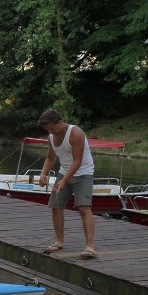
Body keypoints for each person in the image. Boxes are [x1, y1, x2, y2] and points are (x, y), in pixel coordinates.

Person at [36, 108, 97, 259]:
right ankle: (59, 241)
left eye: (51, 128)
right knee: (56, 206)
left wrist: (64, 180)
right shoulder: (51, 136)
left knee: (83, 208)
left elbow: (78, 161)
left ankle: (90, 246)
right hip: (64, 171)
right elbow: (50, 158)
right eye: (47, 129)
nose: (50, 131)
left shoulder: (75, 133)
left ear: (59, 122)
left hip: (83, 172)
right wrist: (43, 173)